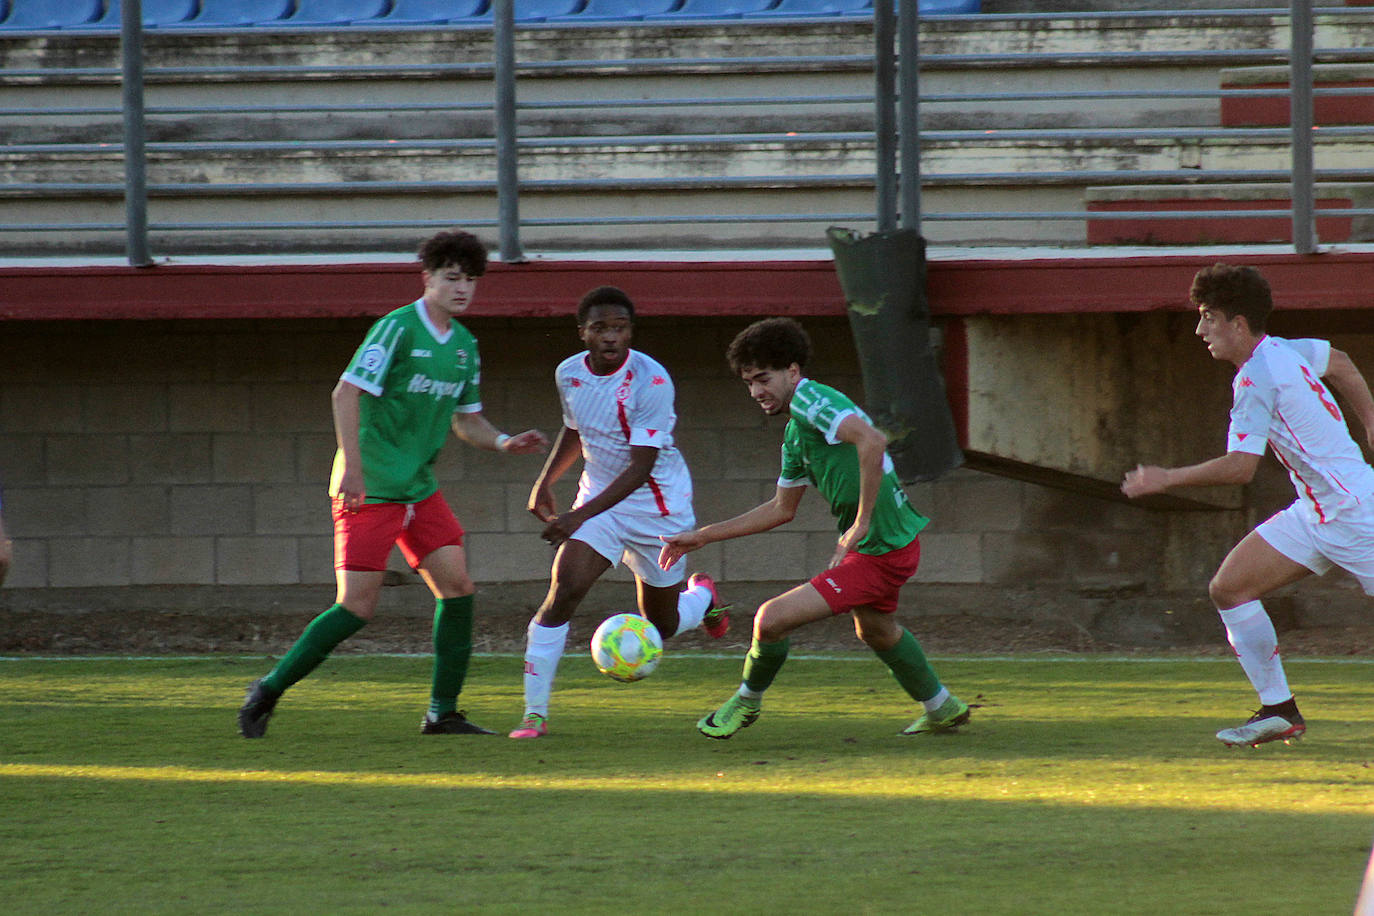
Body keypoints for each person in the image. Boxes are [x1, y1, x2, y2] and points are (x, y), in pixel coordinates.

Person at [238, 229, 549, 739]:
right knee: (357, 606)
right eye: (452, 278)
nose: (463, 288)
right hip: (370, 487)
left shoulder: (466, 347)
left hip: (417, 488)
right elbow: (344, 394)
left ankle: (441, 713)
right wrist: (354, 468)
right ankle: (267, 690)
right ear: (427, 278)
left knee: (458, 588)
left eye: (471, 280)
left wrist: (503, 443)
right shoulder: (397, 329)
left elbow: (467, 420)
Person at [659, 317, 971, 740]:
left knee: (771, 619)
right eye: (749, 382)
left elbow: (873, 440)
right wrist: (702, 535)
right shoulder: (795, 433)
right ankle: (942, 708)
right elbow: (780, 509)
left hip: (881, 548)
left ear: (792, 371)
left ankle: (746, 702)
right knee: (876, 630)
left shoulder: (810, 399)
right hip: (881, 545)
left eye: (763, 379)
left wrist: (860, 522)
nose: (756, 392)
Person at [1122, 263, 1374, 748]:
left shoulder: (1256, 378)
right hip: (1317, 514)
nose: (1200, 330)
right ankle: (1279, 710)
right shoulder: (1284, 349)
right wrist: (1369, 422)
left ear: (1237, 323)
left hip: (1358, 517)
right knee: (1230, 588)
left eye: (1208, 318)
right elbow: (1339, 360)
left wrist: (1166, 478)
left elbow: (1241, 468)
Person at [510, 286, 729, 740]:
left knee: (661, 626)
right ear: (583, 334)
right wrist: (545, 481)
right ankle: (534, 714)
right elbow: (576, 430)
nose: (611, 337)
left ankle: (703, 598)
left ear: (630, 331)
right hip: (600, 505)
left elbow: (640, 466)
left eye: (620, 327)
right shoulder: (568, 374)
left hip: (658, 510)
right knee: (565, 588)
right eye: (600, 328)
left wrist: (573, 517)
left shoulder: (652, 381)